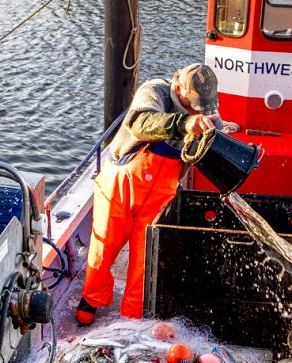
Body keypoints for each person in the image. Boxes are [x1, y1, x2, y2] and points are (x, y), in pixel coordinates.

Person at [75, 64, 229, 325]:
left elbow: (219, 141)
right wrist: (185, 124)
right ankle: (91, 300)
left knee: (145, 256)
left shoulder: (207, 111)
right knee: (104, 244)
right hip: (121, 181)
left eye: (202, 107)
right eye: (193, 105)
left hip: (161, 191)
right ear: (178, 88)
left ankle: (132, 318)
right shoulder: (155, 91)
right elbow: (140, 123)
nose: (198, 111)